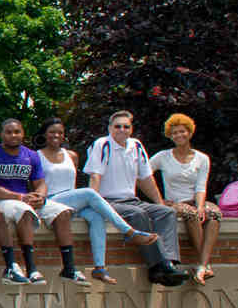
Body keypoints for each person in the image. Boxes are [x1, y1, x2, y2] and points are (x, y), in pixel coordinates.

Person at [37, 117, 158, 285]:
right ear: (44, 134)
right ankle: (129, 232)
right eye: (52, 132)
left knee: (96, 217)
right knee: (89, 193)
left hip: (71, 200)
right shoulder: (36, 156)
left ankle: (99, 268)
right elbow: (36, 186)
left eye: (60, 132)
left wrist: (78, 203)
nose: (56, 135)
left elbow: (72, 183)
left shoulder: (71, 156)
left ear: (64, 136)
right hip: (51, 201)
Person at [82, 110, 193, 287]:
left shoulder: (136, 146)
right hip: (108, 201)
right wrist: (93, 203)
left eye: (126, 126)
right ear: (110, 128)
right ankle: (158, 266)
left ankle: (170, 263)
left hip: (131, 199)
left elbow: (146, 179)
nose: (122, 130)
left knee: (166, 213)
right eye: (117, 126)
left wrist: (160, 202)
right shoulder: (102, 145)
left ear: (131, 129)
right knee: (137, 214)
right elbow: (95, 177)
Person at [0, 117, 82, 285]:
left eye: (17, 132)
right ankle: (31, 268)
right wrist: (20, 197)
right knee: (24, 211)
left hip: (25, 199)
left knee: (62, 212)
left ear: (23, 134)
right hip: (1, 200)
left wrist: (40, 196)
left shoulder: (31, 155)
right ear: (2, 135)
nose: (13, 135)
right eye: (9, 132)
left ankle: (69, 269)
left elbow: (40, 183)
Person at [152, 112, 221, 281]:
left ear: (189, 132)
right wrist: (158, 200)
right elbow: (142, 175)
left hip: (195, 200)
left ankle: (202, 266)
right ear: (170, 135)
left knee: (214, 214)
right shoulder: (163, 156)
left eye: (182, 131)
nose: (178, 135)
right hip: (174, 202)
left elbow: (200, 186)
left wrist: (200, 206)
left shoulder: (202, 158)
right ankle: (204, 264)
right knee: (191, 215)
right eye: (174, 132)